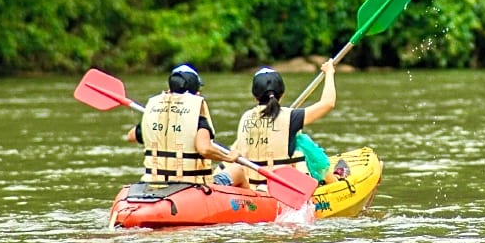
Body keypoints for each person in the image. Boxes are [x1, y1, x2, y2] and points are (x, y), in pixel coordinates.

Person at [213, 59, 338, 189]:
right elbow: (328, 103)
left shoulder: (245, 117)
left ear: (255, 97)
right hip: (280, 192)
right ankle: (333, 182)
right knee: (301, 146)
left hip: (250, 190)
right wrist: (329, 72)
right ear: (282, 94)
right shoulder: (291, 116)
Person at [126, 64, 237, 184]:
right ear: (196, 92)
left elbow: (131, 136)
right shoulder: (198, 119)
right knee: (237, 170)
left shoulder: (155, 116)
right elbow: (204, 149)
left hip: (153, 183)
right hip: (190, 185)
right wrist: (229, 157)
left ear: (169, 90)